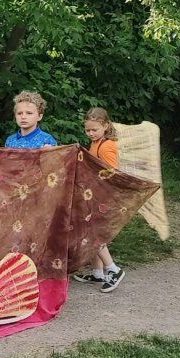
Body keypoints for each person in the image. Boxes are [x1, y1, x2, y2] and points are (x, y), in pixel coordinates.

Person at [71, 107, 126, 292]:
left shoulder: (106, 145)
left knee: (93, 233)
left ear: (105, 126)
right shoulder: (95, 143)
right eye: (88, 130)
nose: (91, 133)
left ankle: (113, 269)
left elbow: (112, 173)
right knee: (89, 230)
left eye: (95, 129)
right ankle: (97, 272)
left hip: (104, 196)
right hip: (94, 194)